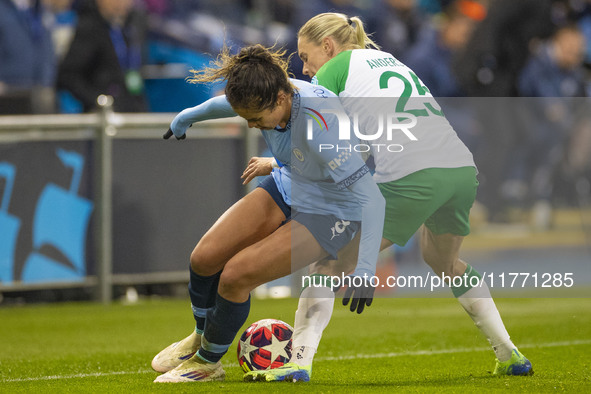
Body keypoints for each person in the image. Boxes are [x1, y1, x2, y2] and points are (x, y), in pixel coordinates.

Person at [243, 12, 533, 382]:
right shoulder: (390, 61)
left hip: (414, 177)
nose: (304, 66)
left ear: (328, 46)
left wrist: (273, 157)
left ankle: (297, 363)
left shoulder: (335, 69)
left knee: (329, 264)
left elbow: (301, 120)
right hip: (460, 169)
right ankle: (509, 354)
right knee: (444, 261)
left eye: (305, 55)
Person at [151, 44, 386, 382]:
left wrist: (364, 268)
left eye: (256, 120)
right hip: (291, 182)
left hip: (334, 210)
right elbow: (226, 105)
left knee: (235, 276)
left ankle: (207, 363)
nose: (250, 126)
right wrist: (188, 115)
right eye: (246, 118)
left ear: (280, 99)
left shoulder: (322, 128)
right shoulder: (269, 94)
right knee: (204, 258)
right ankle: (201, 334)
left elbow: (372, 199)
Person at [57, 0, 148, 112]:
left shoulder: (132, 25)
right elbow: (68, 75)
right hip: (103, 116)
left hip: (132, 110)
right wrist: (97, 100)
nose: (120, 3)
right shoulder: (89, 28)